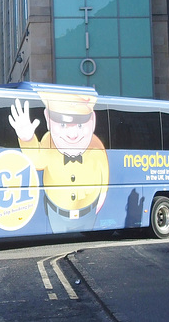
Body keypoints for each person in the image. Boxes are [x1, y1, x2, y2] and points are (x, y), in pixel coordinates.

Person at [9, 92, 109, 233]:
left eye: (80, 125)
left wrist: (101, 199)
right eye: (62, 124)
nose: (72, 134)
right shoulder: (47, 141)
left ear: (92, 121)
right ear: (48, 120)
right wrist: (27, 139)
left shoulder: (97, 146)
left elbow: (104, 178)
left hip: (89, 212)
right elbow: (37, 161)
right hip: (57, 214)